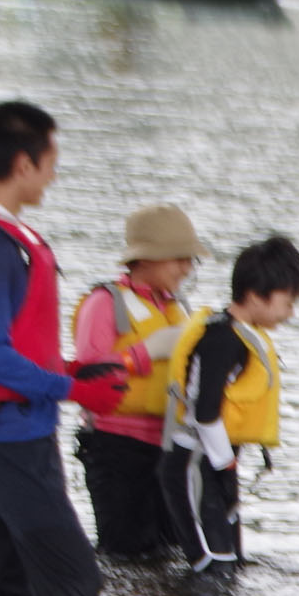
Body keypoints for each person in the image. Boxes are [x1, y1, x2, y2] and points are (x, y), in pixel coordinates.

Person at [0, 100, 131, 596]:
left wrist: (70, 369)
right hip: (12, 441)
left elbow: (10, 347)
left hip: (7, 434)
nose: (54, 174)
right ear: (24, 165)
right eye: (50, 162)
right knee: (76, 584)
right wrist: (75, 391)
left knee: (8, 592)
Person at [160, 235, 299, 572]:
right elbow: (205, 410)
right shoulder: (222, 340)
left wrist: (227, 470)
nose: (291, 312)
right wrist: (225, 466)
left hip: (216, 463)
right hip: (195, 464)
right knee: (213, 568)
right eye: (288, 302)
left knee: (232, 566)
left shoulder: (243, 335)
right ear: (257, 296)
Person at [69, 205, 200, 558]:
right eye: (179, 258)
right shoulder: (104, 303)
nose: (187, 268)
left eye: (190, 260)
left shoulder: (179, 307)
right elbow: (86, 374)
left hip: (168, 446)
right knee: (126, 555)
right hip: (115, 448)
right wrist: (146, 352)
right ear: (147, 259)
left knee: (169, 553)